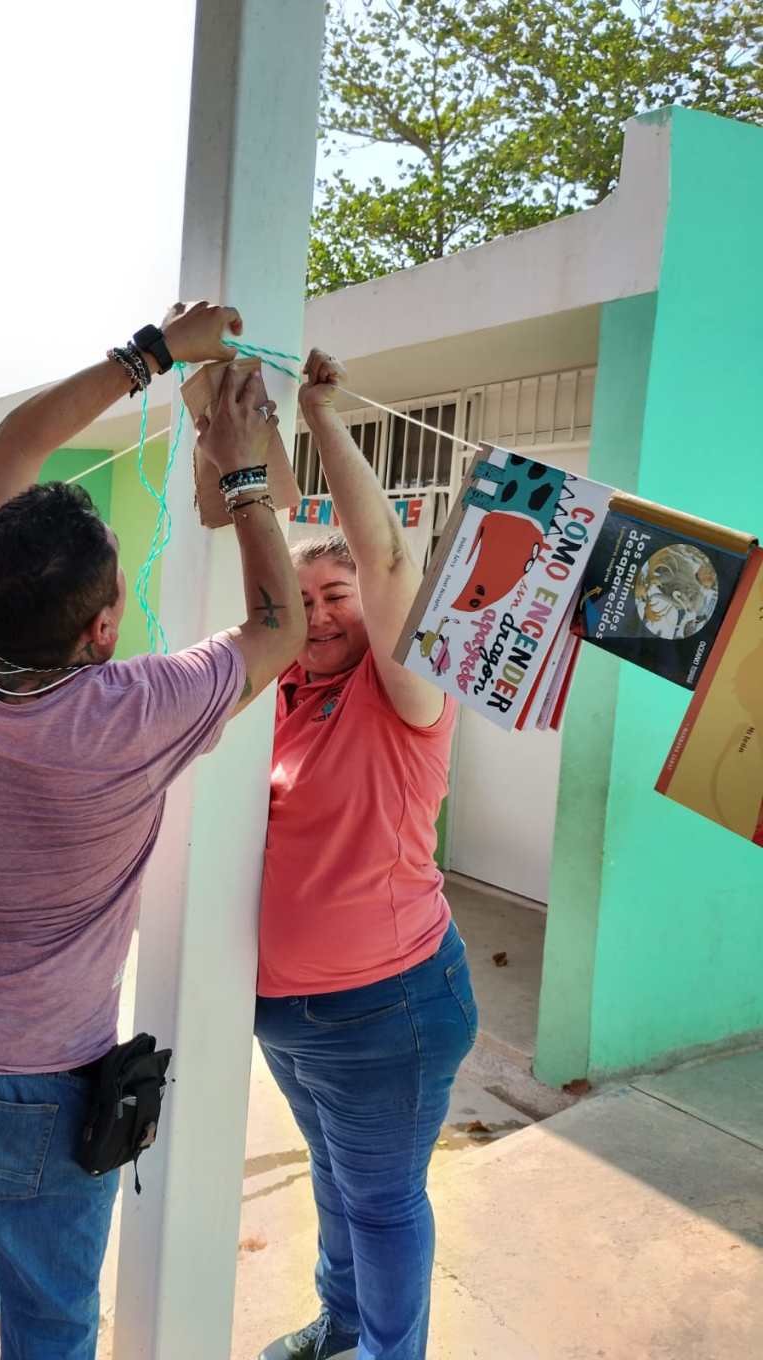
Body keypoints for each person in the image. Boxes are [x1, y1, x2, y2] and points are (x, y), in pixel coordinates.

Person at [0, 301, 307, 1360]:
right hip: (29, 1089)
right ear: (104, 628)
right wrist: (244, 474)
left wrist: (151, 355)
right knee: (53, 1326)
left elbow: (14, 443)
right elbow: (281, 627)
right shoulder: (126, 719)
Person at [256, 350, 478, 1360]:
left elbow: (389, 561)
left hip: (388, 1009)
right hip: (285, 1014)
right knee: (333, 1175)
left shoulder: (406, 699)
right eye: (301, 598)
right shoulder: (278, 699)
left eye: (337, 593)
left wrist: (316, 415)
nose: (320, 613)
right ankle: (342, 1325)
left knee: (382, 1200)